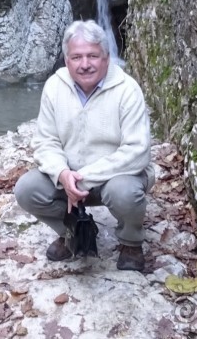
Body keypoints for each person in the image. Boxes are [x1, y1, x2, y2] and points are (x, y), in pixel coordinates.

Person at [13, 19, 155, 271]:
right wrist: (63, 174)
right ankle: (74, 230)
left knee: (124, 193)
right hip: (71, 179)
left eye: (93, 56)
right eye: (77, 57)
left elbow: (137, 152)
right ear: (67, 61)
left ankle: (130, 242)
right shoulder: (55, 86)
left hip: (115, 177)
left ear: (106, 57)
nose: (85, 64)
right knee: (26, 189)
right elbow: (46, 141)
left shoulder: (127, 90)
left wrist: (83, 178)